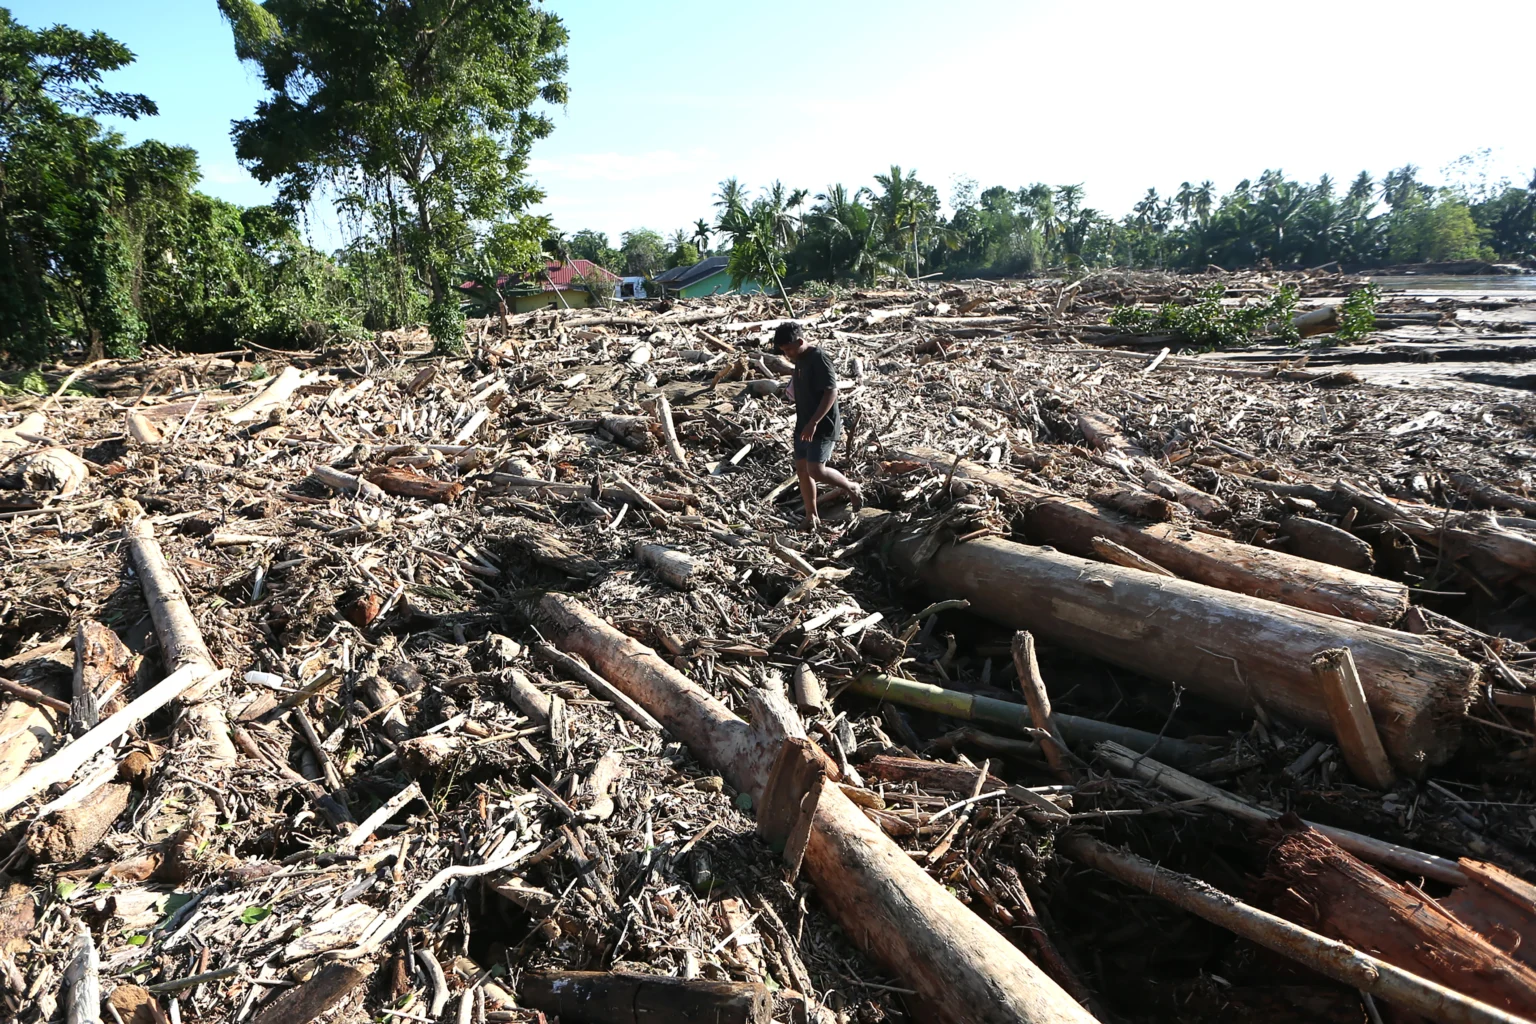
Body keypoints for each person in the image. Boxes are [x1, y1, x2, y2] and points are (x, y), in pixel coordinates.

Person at [771, 322, 862, 530]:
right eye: (784, 351)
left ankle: (851, 487)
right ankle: (811, 516)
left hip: (821, 425)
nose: (787, 354)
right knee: (802, 470)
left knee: (816, 470)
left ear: (800, 341)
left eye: (789, 350)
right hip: (804, 422)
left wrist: (814, 422)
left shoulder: (819, 358)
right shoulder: (800, 359)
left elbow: (831, 391)